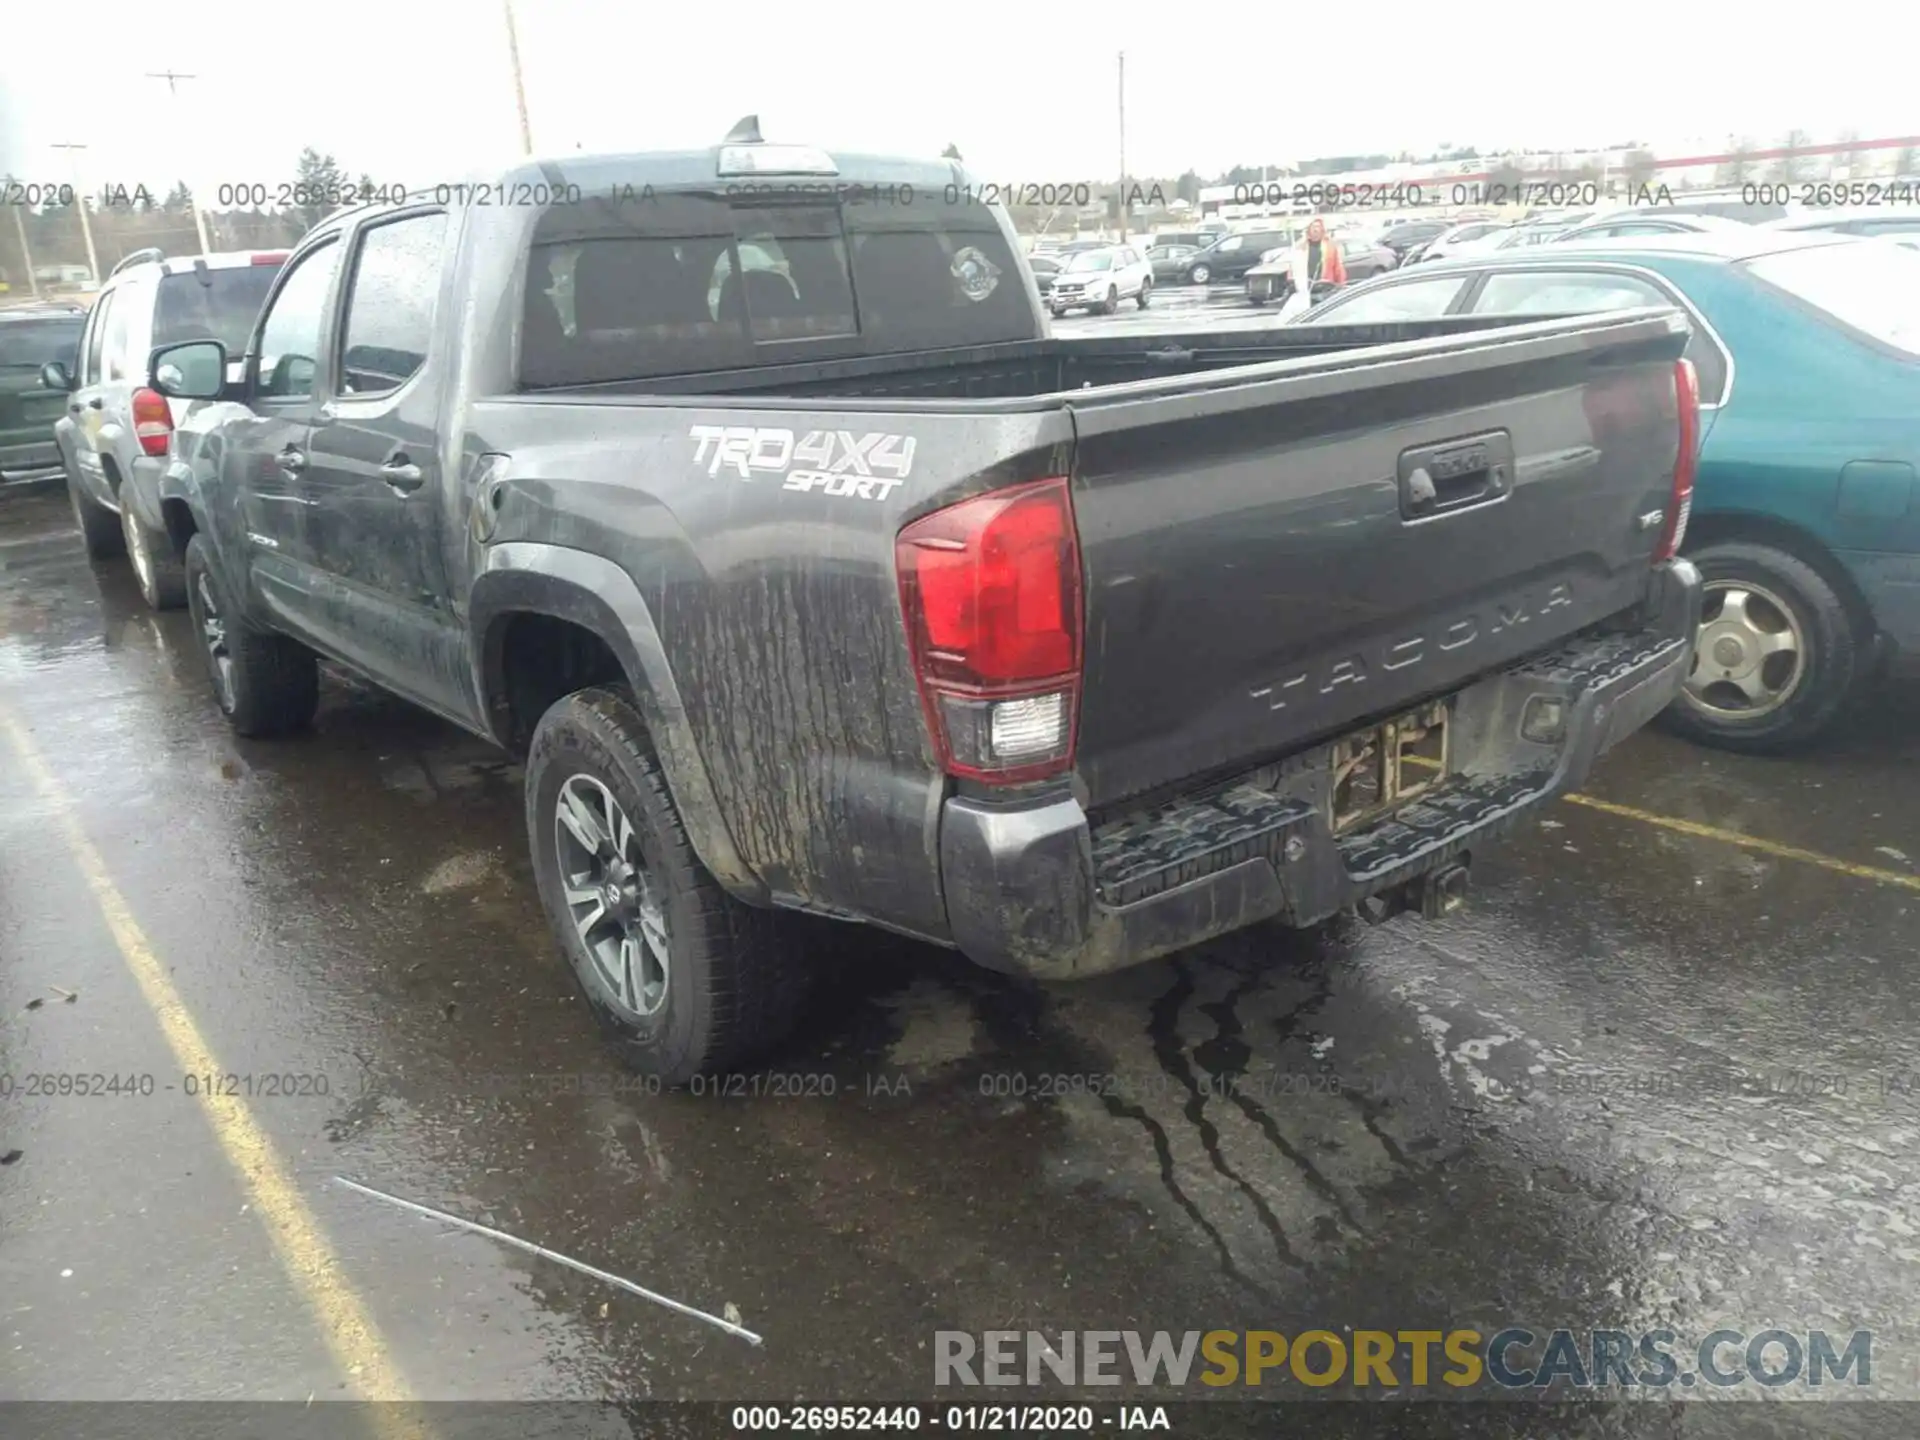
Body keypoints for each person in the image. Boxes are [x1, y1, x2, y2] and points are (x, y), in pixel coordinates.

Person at [1276, 218, 1346, 321]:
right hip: (1305, 290)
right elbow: (1293, 266)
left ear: (1322, 230)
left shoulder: (1330, 247)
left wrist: (1341, 284)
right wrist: (1291, 280)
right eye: (1313, 227)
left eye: (1318, 227)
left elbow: (1338, 267)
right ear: (1308, 230)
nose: (1316, 230)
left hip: (1324, 290)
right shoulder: (1301, 246)